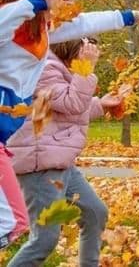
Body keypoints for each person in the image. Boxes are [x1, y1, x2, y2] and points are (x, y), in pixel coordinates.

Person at [0, 0, 139, 249]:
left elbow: (85, 23)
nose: (71, 6)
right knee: (11, 222)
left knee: (10, 223)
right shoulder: (13, 19)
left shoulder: (40, 30)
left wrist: (132, 15)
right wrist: (39, 1)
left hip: (5, 133)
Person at [7, 38, 126, 266]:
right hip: (40, 165)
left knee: (94, 213)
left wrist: (101, 104)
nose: (92, 55)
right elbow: (71, 102)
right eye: (89, 50)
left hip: (58, 160)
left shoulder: (57, 68)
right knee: (44, 240)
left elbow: (67, 111)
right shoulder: (45, 68)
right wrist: (86, 69)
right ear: (74, 47)